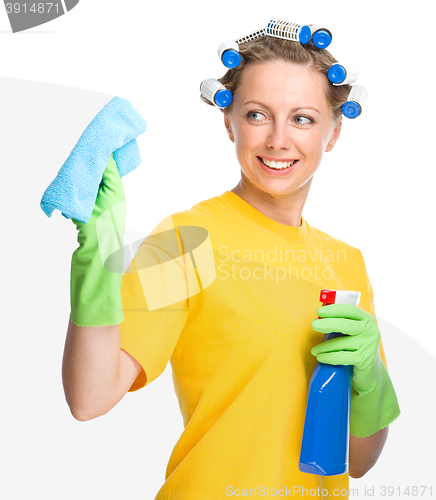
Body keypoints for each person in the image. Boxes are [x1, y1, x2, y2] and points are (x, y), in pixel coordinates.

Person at [62, 33, 401, 500]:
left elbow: (359, 460)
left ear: (334, 132)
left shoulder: (347, 263)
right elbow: (90, 397)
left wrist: (372, 381)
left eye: (302, 118)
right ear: (229, 122)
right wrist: (96, 268)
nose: (278, 140)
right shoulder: (186, 239)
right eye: (257, 115)